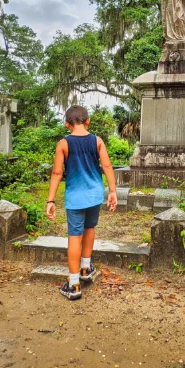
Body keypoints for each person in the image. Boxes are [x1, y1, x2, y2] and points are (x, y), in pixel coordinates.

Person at [46, 105, 118, 300]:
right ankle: (86, 268)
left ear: (66, 124)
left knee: (74, 236)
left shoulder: (63, 144)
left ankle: (74, 283)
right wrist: (112, 191)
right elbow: (107, 166)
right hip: (95, 195)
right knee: (90, 229)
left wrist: (50, 200)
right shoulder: (97, 141)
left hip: (76, 198)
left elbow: (57, 173)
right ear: (88, 121)